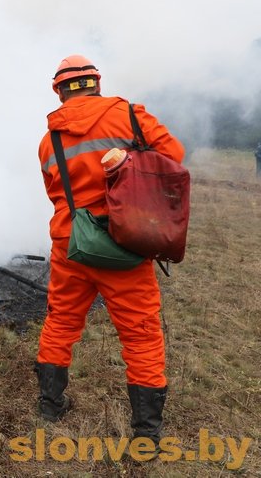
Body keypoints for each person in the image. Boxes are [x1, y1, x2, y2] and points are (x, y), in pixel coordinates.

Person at [35, 55, 185, 447]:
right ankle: (146, 433)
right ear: (96, 83)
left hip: (72, 243)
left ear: (59, 91)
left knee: (60, 321)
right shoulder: (130, 117)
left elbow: (55, 193)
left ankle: (50, 405)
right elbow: (174, 157)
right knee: (141, 334)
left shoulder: (49, 140)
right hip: (125, 243)